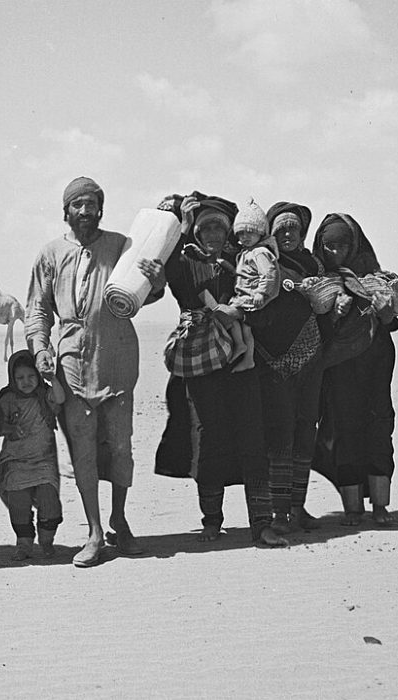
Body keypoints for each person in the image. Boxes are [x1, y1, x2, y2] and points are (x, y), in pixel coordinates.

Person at [25, 176, 164, 567]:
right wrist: (40, 351)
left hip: (118, 358)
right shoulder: (50, 254)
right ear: (65, 210)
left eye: (92, 204)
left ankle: (120, 519)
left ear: (101, 208)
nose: (85, 211)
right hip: (70, 364)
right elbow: (36, 310)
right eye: (77, 205)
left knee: (120, 446)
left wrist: (156, 279)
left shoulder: (122, 245)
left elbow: (147, 292)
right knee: (82, 450)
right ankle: (95, 531)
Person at [154, 192, 288, 547]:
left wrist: (240, 313)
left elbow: (267, 303)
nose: (212, 233)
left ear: (229, 230)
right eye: (205, 227)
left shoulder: (243, 259)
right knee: (210, 438)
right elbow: (169, 274)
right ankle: (211, 521)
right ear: (196, 231)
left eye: (219, 226)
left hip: (241, 360)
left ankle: (261, 523)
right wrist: (181, 226)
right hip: (199, 358)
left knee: (252, 437)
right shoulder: (182, 262)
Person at [311, 213, 398, 527]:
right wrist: (332, 315)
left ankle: (380, 506)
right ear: (321, 247)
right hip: (338, 367)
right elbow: (310, 327)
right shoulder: (317, 280)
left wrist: (386, 312)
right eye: (329, 245)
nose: (336, 251)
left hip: (376, 363)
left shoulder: (375, 276)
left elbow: (390, 322)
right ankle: (352, 509)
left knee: (379, 429)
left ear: (355, 243)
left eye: (343, 244)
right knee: (343, 432)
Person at [246, 202, 325, 532]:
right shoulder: (261, 260)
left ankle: (298, 507)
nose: (288, 233)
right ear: (270, 232)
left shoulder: (314, 263)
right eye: (281, 228)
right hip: (271, 359)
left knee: (306, 431)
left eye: (294, 227)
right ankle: (279, 512)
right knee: (280, 434)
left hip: (312, 357)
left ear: (303, 232)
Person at [0, 349, 65, 560]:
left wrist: (51, 379)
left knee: (49, 500)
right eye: (20, 378)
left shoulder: (45, 395)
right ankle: (24, 544)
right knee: (19, 502)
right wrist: (9, 429)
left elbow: (60, 399)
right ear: (12, 379)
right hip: (15, 462)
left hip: (44, 460)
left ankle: (46, 542)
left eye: (31, 376)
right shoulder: (7, 399)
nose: (26, 382)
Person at [226, 198, 280, 373]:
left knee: (230, 316)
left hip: (251, 297)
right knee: (244, 326)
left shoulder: (260, 252)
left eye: (250, 232)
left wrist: (260, 293)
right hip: (244, 296)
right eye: (241, 233)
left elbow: (269, 273)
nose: (245, 237)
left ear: (261, 233)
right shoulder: (247, 252)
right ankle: (243, 351)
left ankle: (243, 350)